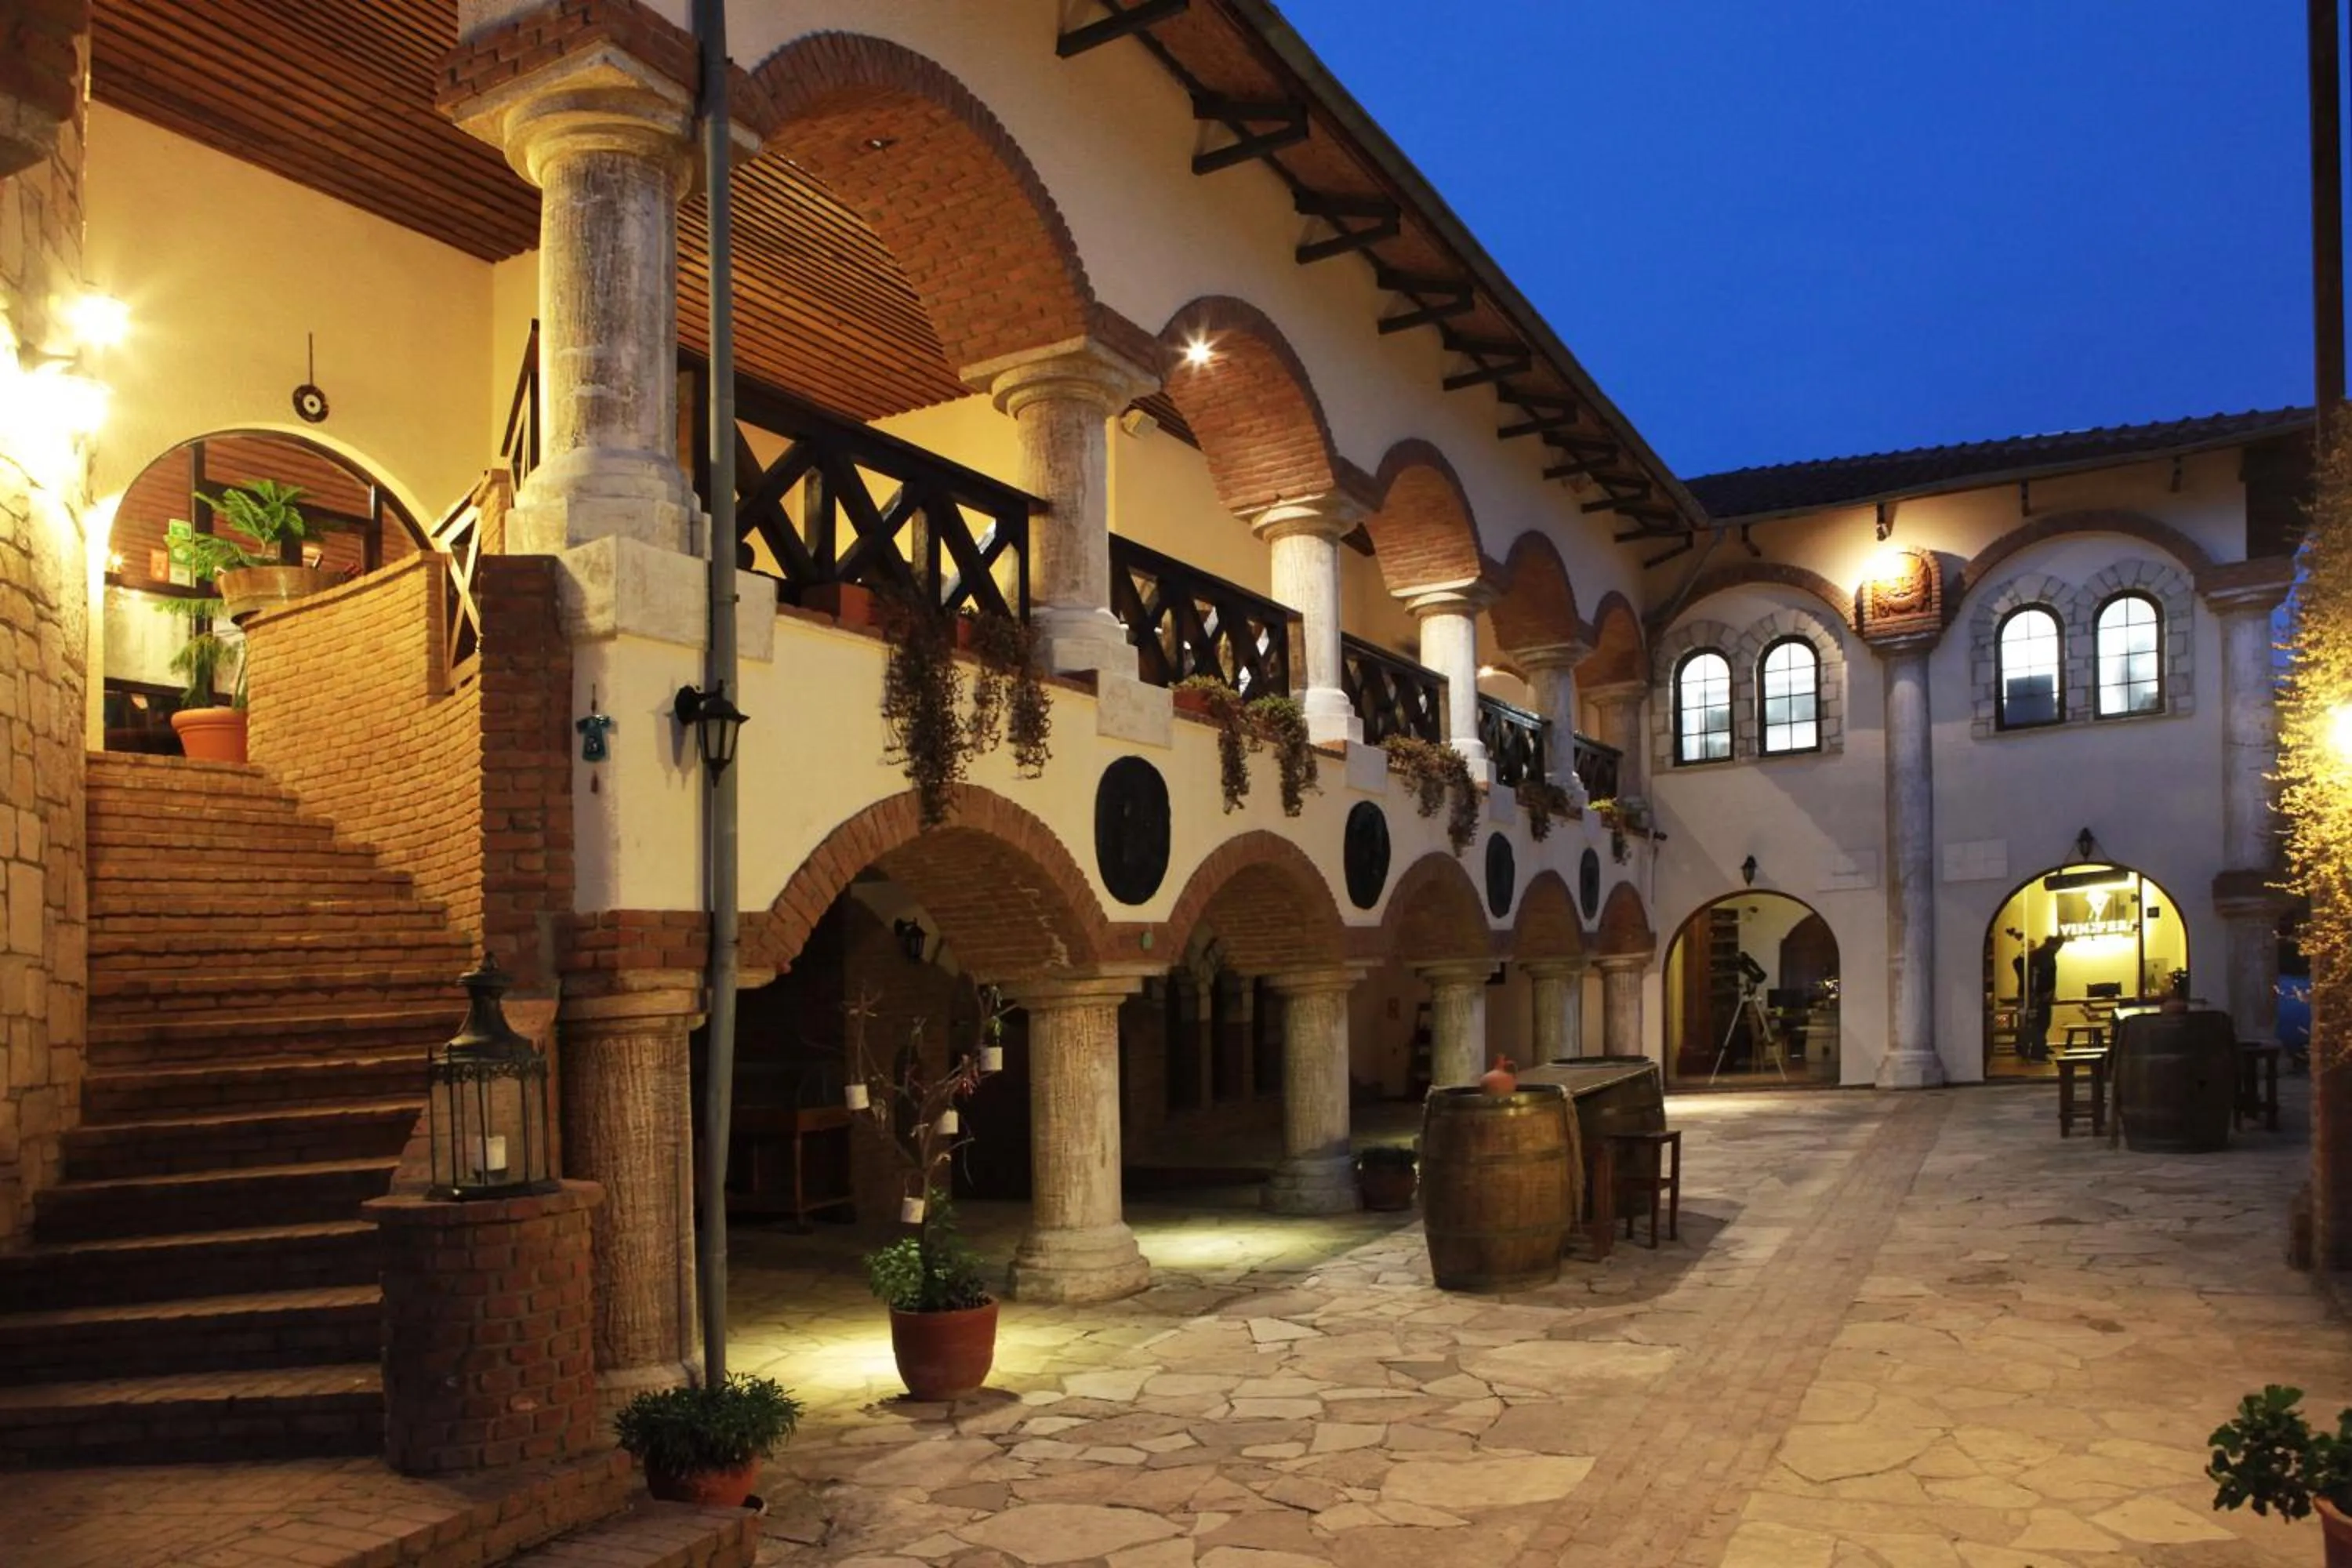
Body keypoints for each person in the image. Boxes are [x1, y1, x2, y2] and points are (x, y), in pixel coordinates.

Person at [2011, 935, 2065, 1064]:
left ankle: (2026, 1050)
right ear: (2056, 945)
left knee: (2031, 1024)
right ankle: (2037, 1053)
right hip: (2038, 996)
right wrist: (2046, 993)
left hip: (2030, 994)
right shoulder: (2046, 955)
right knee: (2041, 1023)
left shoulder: (2033, 956)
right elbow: (2046, 976)